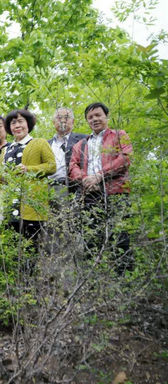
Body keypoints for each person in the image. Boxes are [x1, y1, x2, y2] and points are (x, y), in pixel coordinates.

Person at [69, 102, 133, 272]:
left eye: (98, 115)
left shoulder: (119, 135)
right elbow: (73, 166)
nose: (94, 119)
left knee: (120, 237)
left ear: (106, 116)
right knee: (92, 237)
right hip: (90, 195)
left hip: (116, 192)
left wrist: (99, 176)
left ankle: (123, 278)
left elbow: (126, 158)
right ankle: (94, 278)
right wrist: (84, 180)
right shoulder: (81, 144)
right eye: (90, 117)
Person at [1, 109, 55, 244]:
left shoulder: (39, 143)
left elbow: (51, 166)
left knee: (32, 247)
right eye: (13, 123)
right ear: (9, 127)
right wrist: (3, 176)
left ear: (28, 124)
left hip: (32, 206)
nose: (17, 126)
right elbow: (0, 179)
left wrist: (28, 169)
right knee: (11, 247)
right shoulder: (6, 149)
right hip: (10, 206)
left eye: (21, 121)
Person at [48, 107, 86, 193]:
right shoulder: (46, 144)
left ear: (73, 121)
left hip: (74, 187)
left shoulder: (83, 139)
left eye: (66, 117)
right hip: (48, 188)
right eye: (59, 118)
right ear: (53, 122)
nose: (63, 120)